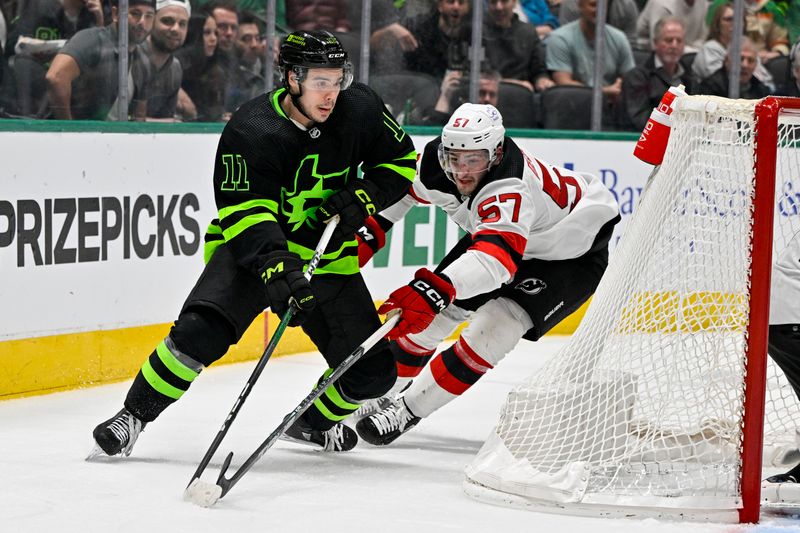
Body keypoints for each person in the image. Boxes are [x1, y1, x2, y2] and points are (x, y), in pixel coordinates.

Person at [89, 30, 417, 458]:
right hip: (252, 252)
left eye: (337, 79)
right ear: (291, 78)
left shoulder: (361, 106)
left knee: (372, 374)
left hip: (326, 256)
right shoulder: (251, 128)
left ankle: (311, 423)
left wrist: (366, 195)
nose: (331, 93)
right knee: (198, 332)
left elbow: (400, 161)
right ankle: (132, 417)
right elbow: (247, 213)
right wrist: (276, 266)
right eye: (320, 81)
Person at [353, 103, 621, 446]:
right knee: (429, 320)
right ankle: (379, 393)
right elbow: (403, 190)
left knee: (496, 328)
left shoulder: (510, 186)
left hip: (570, 258)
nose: (462, 171)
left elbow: (497, 262)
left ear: (495, 154)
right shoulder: (438, 164)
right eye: (454, 158)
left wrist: (437, 288)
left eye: (473, 160)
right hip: (501, 240)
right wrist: (370, 229)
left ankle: (407, 410)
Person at [45, 0, 154, 120]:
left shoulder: (144, 61)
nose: (142, 22)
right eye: (135, 13)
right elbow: (56, 77)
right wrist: (70, 130)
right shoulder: (91, 40)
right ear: (115, 14)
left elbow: (139, 117)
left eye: (149, 16)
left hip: (111, 136)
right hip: (64, 135)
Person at [2, 0, 102, 117]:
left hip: (74, 97)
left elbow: (101, 59)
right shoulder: (39, 7)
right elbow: (12, 44)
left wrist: (100, 21)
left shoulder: (92, 16)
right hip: (33, 94)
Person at [547, 0, 635, 103]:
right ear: (580, 6)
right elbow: (564, 83)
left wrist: (620, 85)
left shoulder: (619, 38)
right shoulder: (560, 38)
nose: (598, 10)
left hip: (612, 107)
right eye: (593, 5)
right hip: (573, 105)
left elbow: (630, 79)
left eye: (603, 6)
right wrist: (603, 92)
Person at [621, 16, 692, 132]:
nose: (674, 45)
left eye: (679, 41)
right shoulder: (637, 77)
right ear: (655, 43)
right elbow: (639, 119)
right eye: (669, 40)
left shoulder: (690, 78)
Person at [484, 0, 554, 93]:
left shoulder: (528, 32)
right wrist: (513, 84)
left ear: (514, 2)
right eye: (493, 2)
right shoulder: (477, 32)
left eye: (504, 2)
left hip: (522, 95)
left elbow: (538, 71)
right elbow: (477, 74)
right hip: (486, 93)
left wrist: (542, 80)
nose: (499, 7)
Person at [175, 8, 227, 121]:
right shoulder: (175, 68)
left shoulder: (216, 72)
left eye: (215, 33)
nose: (214, 39)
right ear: (194, 35)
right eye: (207, 33)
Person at [142, 0, 190, 121]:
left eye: (182, 24)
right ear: (151, 21)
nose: (175, 29)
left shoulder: (175, 68)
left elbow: (167, 117)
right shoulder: (130, 57)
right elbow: (117, 120)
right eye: (167, 21)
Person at [414, 67, 500, 125]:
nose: (487, 99)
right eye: (482, 93)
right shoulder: (456, 118)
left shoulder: (500, 123)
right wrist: (445, 96)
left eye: (492, 94)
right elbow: (430, 135)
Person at [698, 36, 772, 99]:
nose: (745, 65)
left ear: (756, 65)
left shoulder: (762, 91)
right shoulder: (709, 88)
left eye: (750, 60)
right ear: (727, 60)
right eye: (740, 58)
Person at [225, 10, 265, 115]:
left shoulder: (268, 73)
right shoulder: (225, 73)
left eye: (257, 38)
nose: (254, 45)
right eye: (247, 39)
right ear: (233, 40)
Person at [636, 0, 708, 52]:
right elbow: (657, 45)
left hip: (685, 54)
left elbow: (702, 39)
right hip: (646, 54)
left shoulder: (703, 3)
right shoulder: (661, 4)